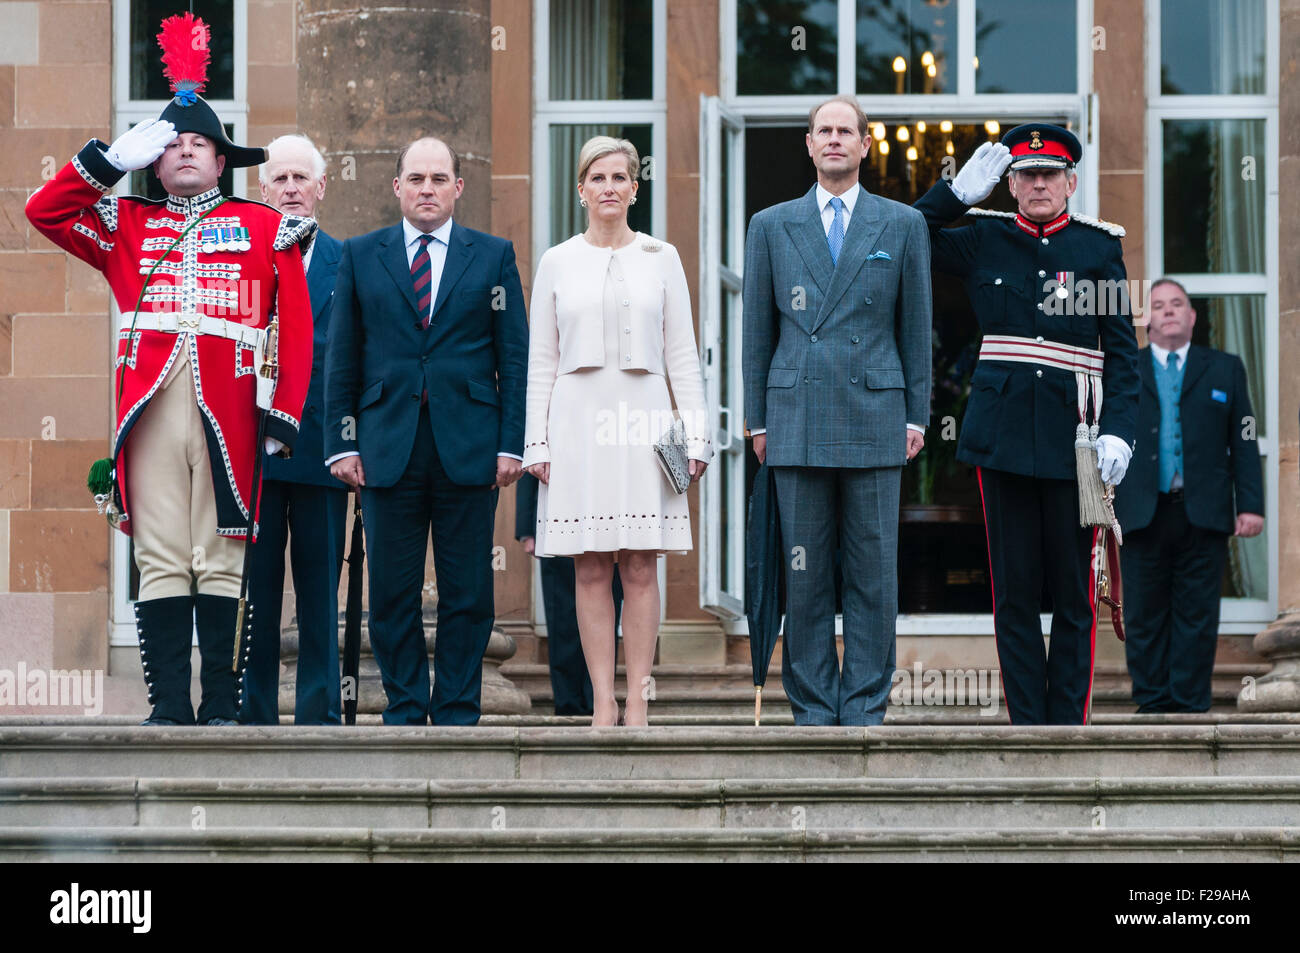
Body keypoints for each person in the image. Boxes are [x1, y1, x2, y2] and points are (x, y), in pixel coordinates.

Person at [23, 13, 311, 726]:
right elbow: (43, 211)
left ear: (221, 161)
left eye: (199, 144)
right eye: (172, 145)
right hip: (150, 405)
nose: (185, 153)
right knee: (158, 553)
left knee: (220, 554)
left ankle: (219, 703)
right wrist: (104, 164)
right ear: (153, 160)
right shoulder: (127, 222)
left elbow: (296, 328)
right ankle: (167, 708)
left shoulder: (266, 225)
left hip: (231, 405)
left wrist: (285, 415)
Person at [914, 123, 1140, 725]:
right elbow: (904, 236)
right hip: (1003, 438)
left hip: (1077, 440)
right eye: (1027, 174)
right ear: (1010, 184)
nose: (1039, 184)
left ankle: (1066, 727)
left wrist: (1120, 429)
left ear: (1070, 181)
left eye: (1050, 174)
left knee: (1072, 594)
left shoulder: (1098, 251)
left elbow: (1122, 353)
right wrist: (955, 196)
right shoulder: (983, 238)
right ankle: (1027, 727)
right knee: (1013, 592)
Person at [324, 137, 527, 726]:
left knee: (468, 594)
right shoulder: (362, 255)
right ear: (397, 187)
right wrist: (342, 441)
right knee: (390, 594)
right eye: (416, 179)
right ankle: (407, 707)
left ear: (458, 188)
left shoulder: (491, 257)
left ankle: (460, 708)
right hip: (387, 448)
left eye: (440, 179)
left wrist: (511, 443)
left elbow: (513, 357)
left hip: (470, 447)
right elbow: (343, 358)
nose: (428, 189)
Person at [742, 96, 932, 727]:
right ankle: (814, 709)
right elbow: (755, 332)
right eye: (823, 130)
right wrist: (757, 420)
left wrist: (918, 415)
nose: (833, 140)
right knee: (806, 578)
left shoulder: (903, 224)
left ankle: (865, 707)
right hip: (794, 416)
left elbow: (916, 327)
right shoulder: (770, 225)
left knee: (874, 576)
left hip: (876, 414)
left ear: (865, 144)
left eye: (845, 131)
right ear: (808, 144)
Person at [522, 136, 712, 728]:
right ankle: (602, 699)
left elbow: (683, 356)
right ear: (581, 189)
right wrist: (536, 442)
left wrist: (698, 436)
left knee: (640, 565)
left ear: (635, 186)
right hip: (575, 421)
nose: (609, 187)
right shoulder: (556, 260)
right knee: (589, 566)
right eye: (598, 178)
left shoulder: (664, 257)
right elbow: (541, 362)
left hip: (646, 420)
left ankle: (638, 699)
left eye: (620, 178)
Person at [1114, 278, 1264, 713]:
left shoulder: (1225, 368)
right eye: (1158, 305)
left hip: (1205, 511)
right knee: (1143, 613)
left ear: (1192, 317)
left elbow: (1245, 439)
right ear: (1147, 321)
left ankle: (1190, 701)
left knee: (1197, 614)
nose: (1168, 311)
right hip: (1141, 510)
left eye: (1177, 304)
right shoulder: (1125, 368)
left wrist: (1250, 504)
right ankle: (1153, 700)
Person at [240, 135, 348, 726]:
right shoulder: (239, 260)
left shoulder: (348, 261)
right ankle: (251, 711)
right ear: (262, 189)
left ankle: (318, 714)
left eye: (300, 179)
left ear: (320, 187)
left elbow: (357, 359)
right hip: (252, 454)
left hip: (323, 453)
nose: (289, 189)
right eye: (279, 179)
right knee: (255, 596)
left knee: (318, 598)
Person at [514, 472, 624, 716]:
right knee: (562, 614)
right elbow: (531, 458)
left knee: (608, 613)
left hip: (611, 517)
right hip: (558, 518)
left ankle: (600, 700)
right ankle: (568, 703)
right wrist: (527, 529)